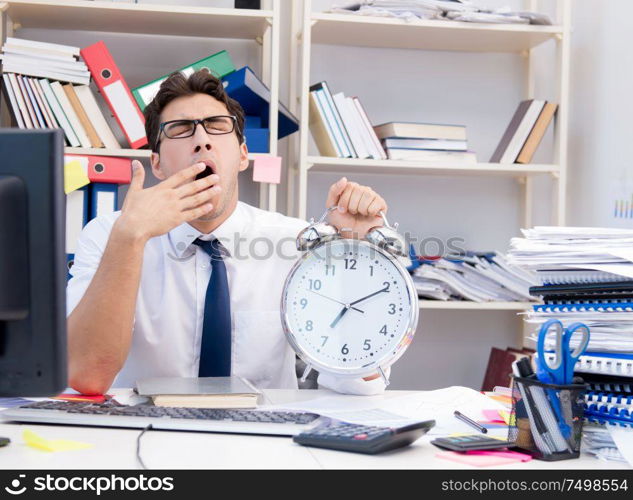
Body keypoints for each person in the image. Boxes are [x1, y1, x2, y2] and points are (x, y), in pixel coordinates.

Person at [67, 69, 389, 396]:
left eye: (217, 126)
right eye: (180, 129)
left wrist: (355, 256)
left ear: (243, 155)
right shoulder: (109, 235)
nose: (202, 139)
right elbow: (87, 375)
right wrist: (130, 238)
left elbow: (355, 383)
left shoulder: (296, 243)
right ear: (157, 164)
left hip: (262, 438)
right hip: (143, 433)